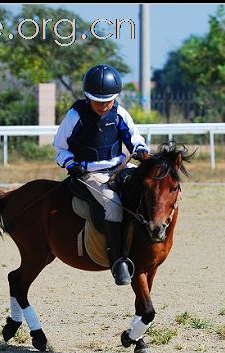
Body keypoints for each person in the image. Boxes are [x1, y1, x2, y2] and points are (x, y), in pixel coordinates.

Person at [53, 64, 150, 286]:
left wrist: (140, 150)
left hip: (119, 168)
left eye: (108, 101)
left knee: (148, 188)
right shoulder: (75, 115)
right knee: (114, 204)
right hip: (90, 173)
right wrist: (70, 164)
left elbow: (134, 138)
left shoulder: (120, 113)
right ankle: (118, 262)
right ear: (87, 97)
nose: (103, 106)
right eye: (97, 101)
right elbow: (59, 147)